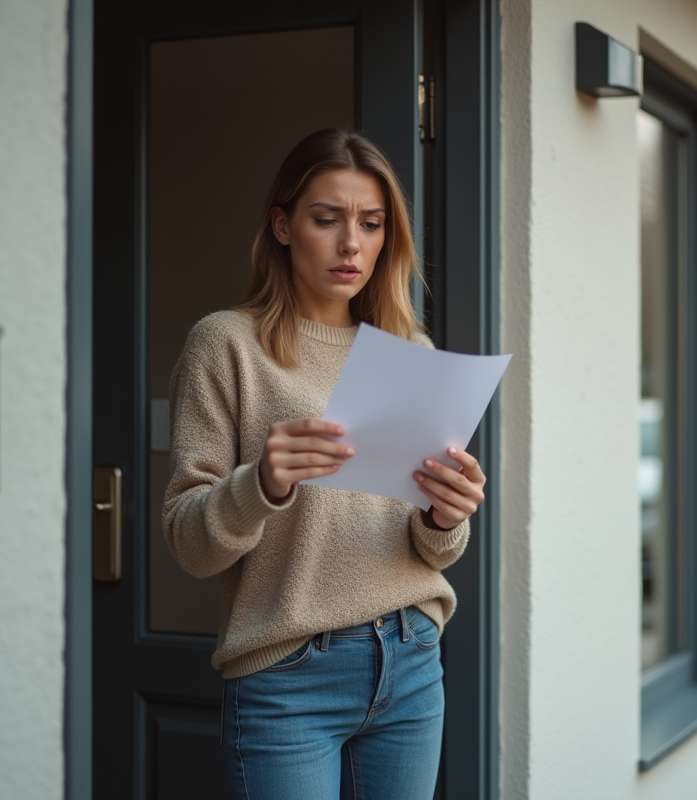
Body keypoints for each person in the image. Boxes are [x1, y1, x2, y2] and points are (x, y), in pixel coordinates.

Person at [162, 128, 484, 800]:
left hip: (411, 660)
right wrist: (261, 483)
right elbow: (189, 546)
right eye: (326, 219)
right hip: (287, 679)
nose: (351, 245)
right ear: (282, 225)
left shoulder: (408, 347)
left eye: (370, 224)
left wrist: (445, 515)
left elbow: (434, 548)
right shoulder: (226, 345)